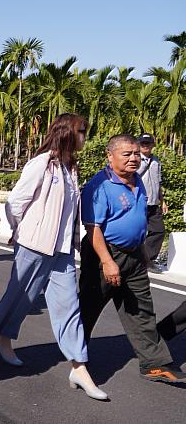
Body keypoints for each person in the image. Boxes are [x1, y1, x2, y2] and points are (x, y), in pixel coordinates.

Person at [0, 114, 107, 400]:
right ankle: (3, 339)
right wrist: (23, 232)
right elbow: (16, 202)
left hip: (62, 251)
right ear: (67, 132)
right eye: (81, 131)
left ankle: (79, 366)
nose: (84, 137)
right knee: (20, 297)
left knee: (69, 307)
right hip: (33, 244)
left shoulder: (71, 168)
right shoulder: (42, 163)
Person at [79, 134, 186, 383]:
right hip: (105, 253)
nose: (133, 158)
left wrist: (143, 252)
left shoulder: (137, 179)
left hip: (135, 255)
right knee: (89, 306)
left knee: (141, 310)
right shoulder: (99, 186)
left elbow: (138, 219)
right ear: (110, 156)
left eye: (136, 153)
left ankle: (155, 364)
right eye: (126, 154)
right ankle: (76, 355)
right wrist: (107, 261)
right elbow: (93, 229)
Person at [137, 133, 167, 270]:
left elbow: (158, 183)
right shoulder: (135, 159)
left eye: (148, 143)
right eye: (143, 143)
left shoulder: (156, 161)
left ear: (152, 145)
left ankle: (147, 259)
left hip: (154, 203)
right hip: (139, 202)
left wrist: (162, 201)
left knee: (159, 231)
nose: (145, 146)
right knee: (137, 232)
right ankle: (134, 260)